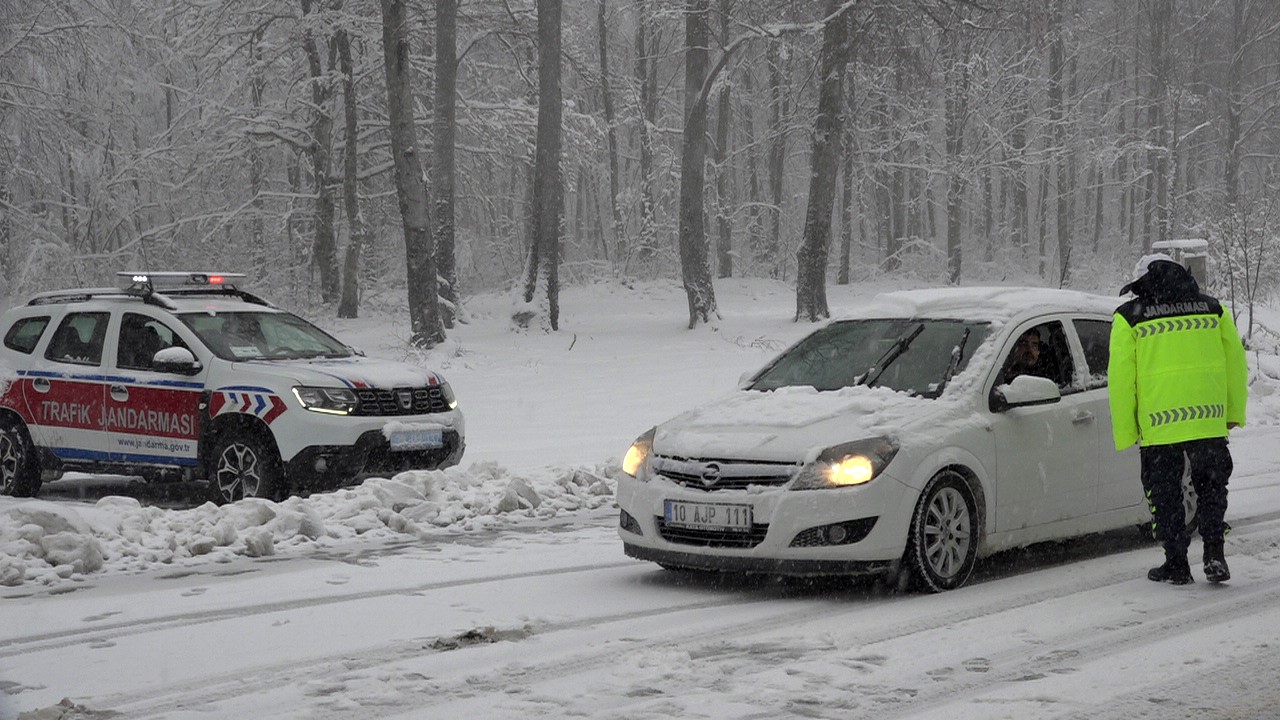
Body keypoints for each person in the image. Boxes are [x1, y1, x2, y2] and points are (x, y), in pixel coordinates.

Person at [1108, 253, 1248, 585]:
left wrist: (1127, 431)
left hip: (1160, 425)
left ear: (1142, 282)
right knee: (1212, 488)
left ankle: (1177, 563)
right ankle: (1214, 552)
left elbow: (1121, 379)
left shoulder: (1129, 317)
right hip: (1207, 420)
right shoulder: (1213, 308)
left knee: (1166, 494)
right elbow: (1236, 363)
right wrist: (1233, 412)